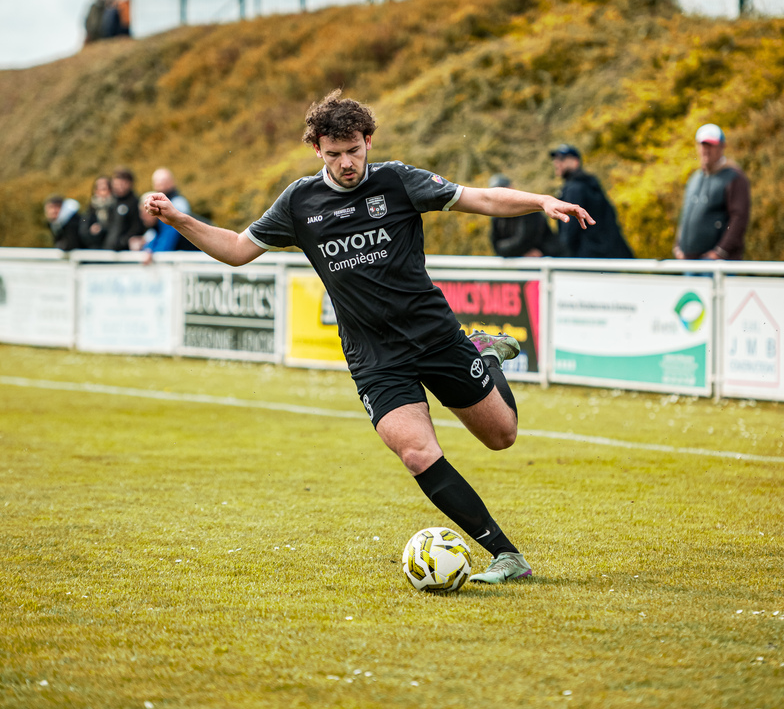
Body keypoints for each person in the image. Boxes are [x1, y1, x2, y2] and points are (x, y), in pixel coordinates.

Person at [146, 91, 595, 584]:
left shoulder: (397, 181)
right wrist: (178, 219)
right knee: (417, 453)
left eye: (354, 150)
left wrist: (541, 201)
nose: (346, 163)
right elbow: (236, 249)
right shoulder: (298, 202)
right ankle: (506, 555)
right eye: (334, 153)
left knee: (501, 437)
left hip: (435, 336)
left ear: (368, 141)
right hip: (375, 358)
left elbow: (481, 198)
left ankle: (482, 354)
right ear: (317, 149)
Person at [674, 124, 751, 261]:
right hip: (689, 260)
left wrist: (720, 251)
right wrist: (678, 247)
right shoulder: (695, 178)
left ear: (722, 147)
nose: (706, 150)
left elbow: (739, 218)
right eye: (703, 145)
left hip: (716, 264)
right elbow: (686, 216)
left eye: (711, 145)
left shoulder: (734, 178)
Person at [550, 144, 633, 259]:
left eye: (562, 159)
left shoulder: (575, 189)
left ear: (575, 162)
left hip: (589, 257)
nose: (557, 163)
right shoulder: (590, 185)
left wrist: (562, 255)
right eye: (556, 160)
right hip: (608, 254)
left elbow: (570, 229)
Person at [488, 175, 562, 258]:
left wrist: (505, 249)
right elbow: (495, 246)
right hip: (525, 260)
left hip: (548, 258)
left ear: (511, 188)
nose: (498, 196)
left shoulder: (527, 208)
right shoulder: (497, 215)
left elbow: (525, 242)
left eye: (502, 190)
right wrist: (519, 252)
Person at [130, 193, 199, 262]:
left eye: (145, 213)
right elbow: (152, 243)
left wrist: (149, 251)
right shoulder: (156, 226)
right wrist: (148, 249)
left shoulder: (169, 223)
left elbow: (163, 249)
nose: (142, 217)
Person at [103, 168, 145, 251]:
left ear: (129, 183)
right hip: (109, 249)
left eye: (122, 183)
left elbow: (137, 227)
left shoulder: (135, 203)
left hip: (126, 251)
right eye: (116, 184)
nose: (119, 187)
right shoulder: (112, 202)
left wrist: (123, 242)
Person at [78, 176, 115, 248]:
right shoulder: (91, 208)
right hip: (93, 247)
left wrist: (102, 229)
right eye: (98, 189)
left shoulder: (116, 206)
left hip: (111, 247)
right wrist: (91, 231)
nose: (100, 192)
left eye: (104, 189)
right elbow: (83, 228)